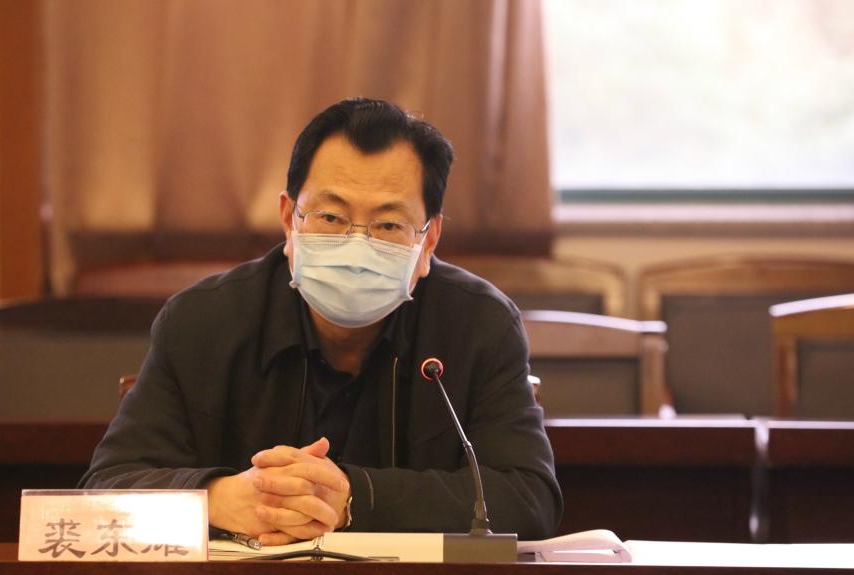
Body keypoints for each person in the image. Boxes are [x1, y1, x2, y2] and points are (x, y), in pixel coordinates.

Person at [80, 97, 562, 545]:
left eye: (388, 225)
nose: (357, 245)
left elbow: (528, 498)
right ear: (289, 219)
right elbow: (105, 491)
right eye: (331, 218)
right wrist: (221, 499)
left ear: (428, 240)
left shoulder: (478, 325)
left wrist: (352, 497)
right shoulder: (203, 322)